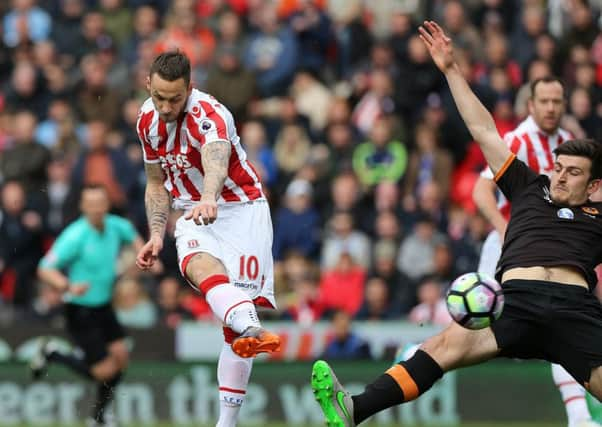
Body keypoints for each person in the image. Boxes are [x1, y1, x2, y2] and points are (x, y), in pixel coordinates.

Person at [310, 21, 602, 427]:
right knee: (442, 345)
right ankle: (354, 409)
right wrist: (451, 70)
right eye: (558, 167)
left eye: (573, 173)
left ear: (594, 186)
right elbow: (482, 129)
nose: (561, 176)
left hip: (575, 311)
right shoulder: (529, 186)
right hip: (516, 301)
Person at [134, 51, 280, 427]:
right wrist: (155, 234)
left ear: (190, 89)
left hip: (241, 209)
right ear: (148, 85)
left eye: (175, 99)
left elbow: (216, 159)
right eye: (160, 96)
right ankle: (250, 322)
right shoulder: (146, 120)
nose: (166, 107)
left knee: (233, 332)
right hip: (194, 212)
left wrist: (209, 195)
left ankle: (226, 421)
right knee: (198, 270)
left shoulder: (211, 116)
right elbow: (155, 182)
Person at [473, 74, 597, 426]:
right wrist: (506, 230)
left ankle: (578, 416)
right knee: (470, 326)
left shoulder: (570, 143)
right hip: (507, 245)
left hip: (550, 250)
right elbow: (481, 192)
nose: (551, 108)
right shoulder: (517, 139)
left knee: (560, 319)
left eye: (557, 101)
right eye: (544, 101)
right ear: (530, 104)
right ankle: (414, 356)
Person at [30, 184, 145, 427]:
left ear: (106, 205)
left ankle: (100, 417)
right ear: (83, 207)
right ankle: (52, 353)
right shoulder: (75, 235)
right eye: (90, 205)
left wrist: (146, 256)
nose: (96, 209)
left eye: (100, 204)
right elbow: (44, 268)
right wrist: (67, 286)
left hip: (103, 306)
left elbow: (135, 239)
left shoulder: (115, 225)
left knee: (121, 357)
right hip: (80, 309)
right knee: (104, 371)